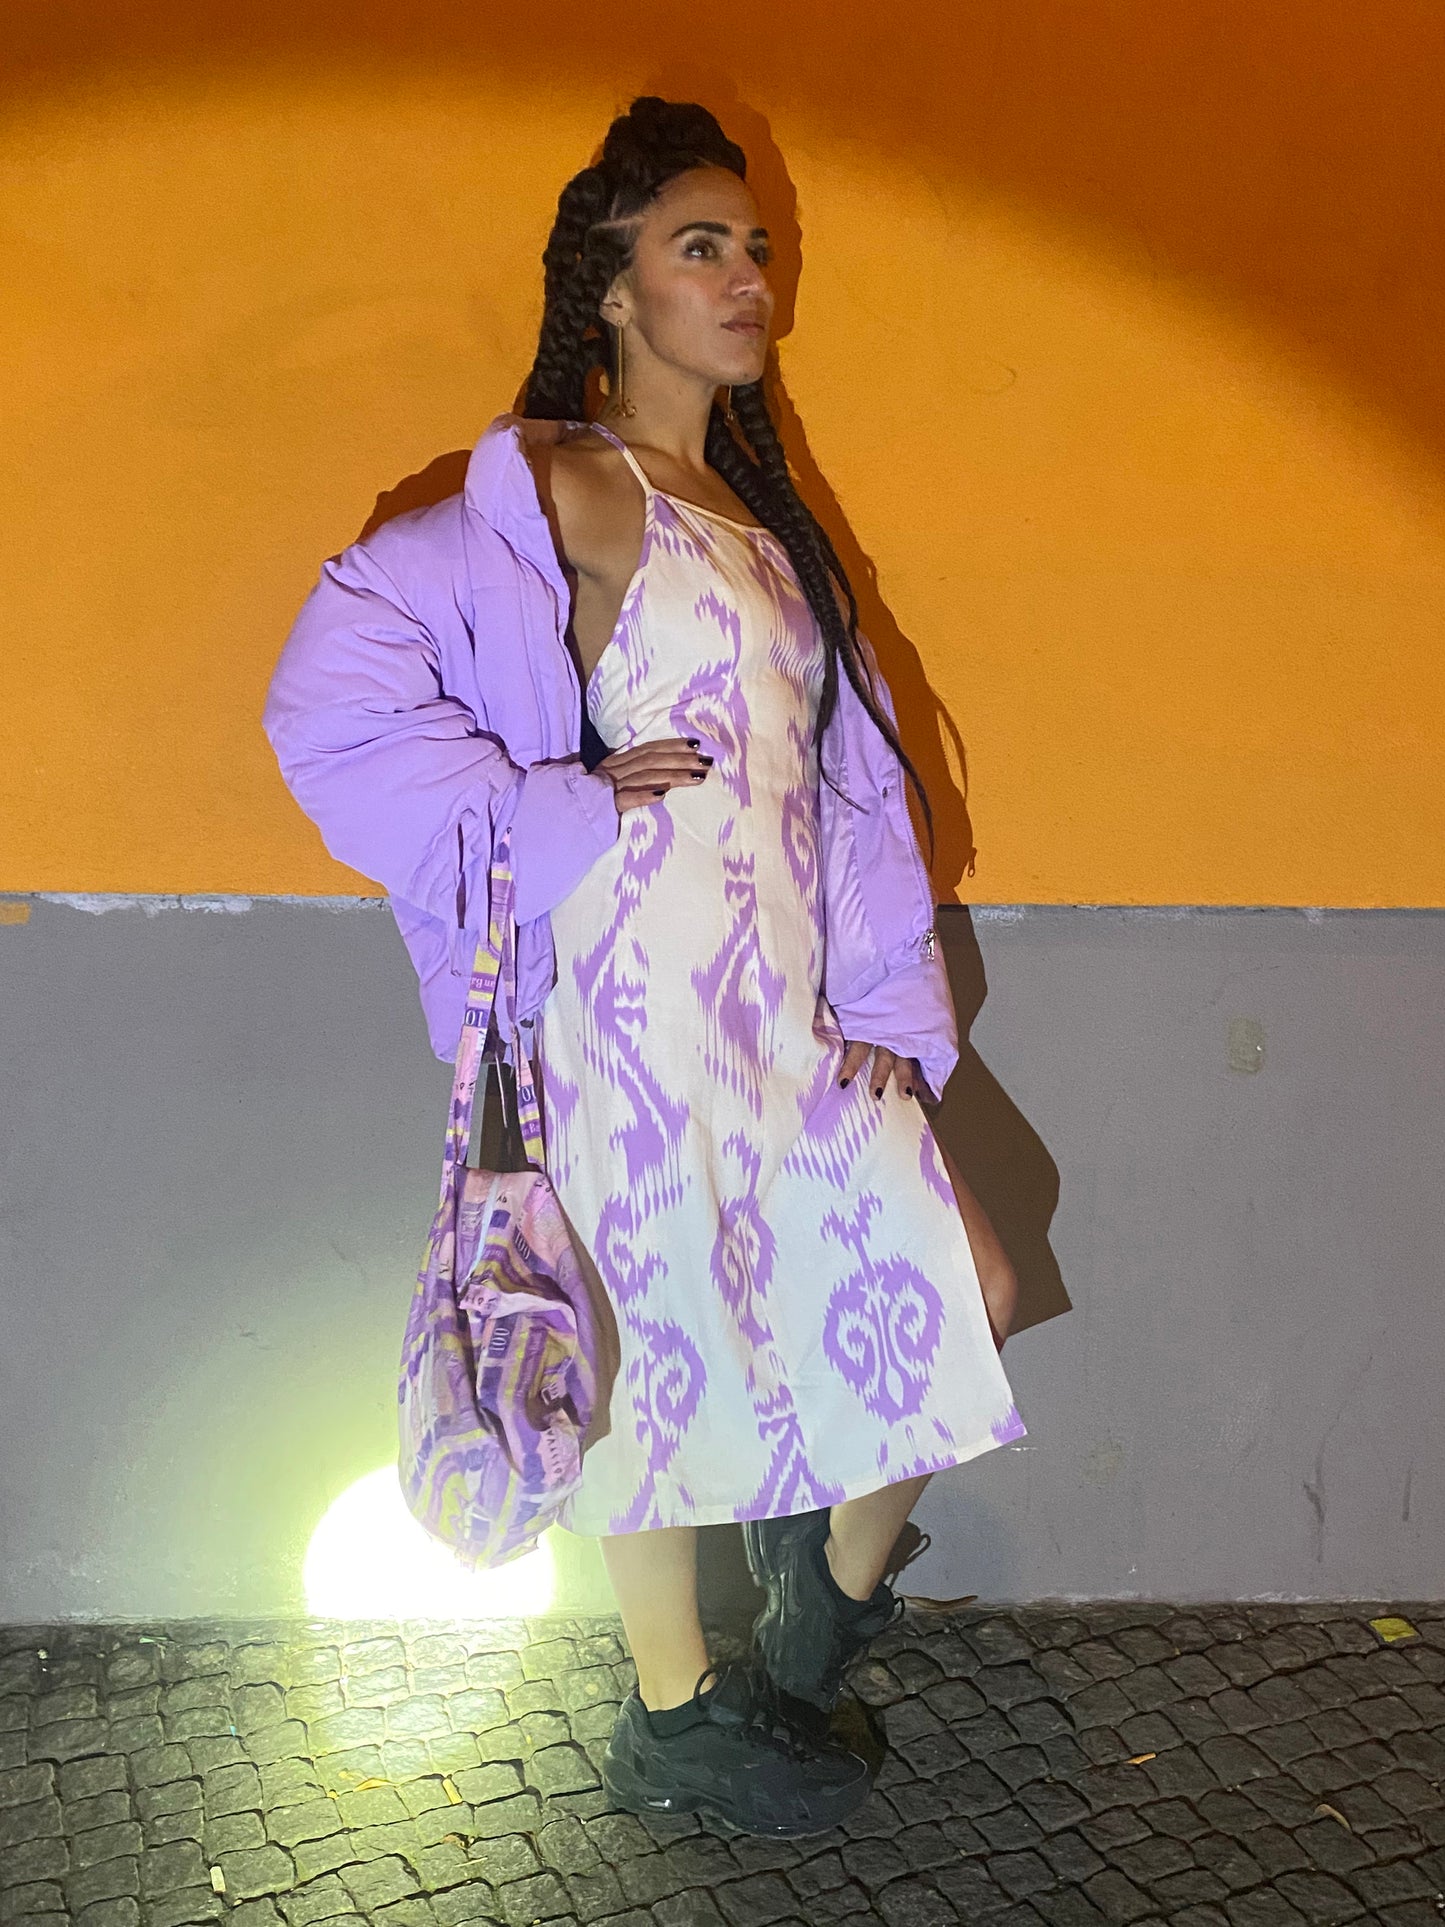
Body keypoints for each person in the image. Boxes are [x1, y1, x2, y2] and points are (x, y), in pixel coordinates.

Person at [264, 96, 1025, 1841]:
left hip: (788, 1009)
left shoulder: (752, 517)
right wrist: (549, 802)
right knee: (650, 1338)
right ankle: (675, 1706)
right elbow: (333, 689)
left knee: (959, 1284)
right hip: (623, 999)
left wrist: (885, 1009)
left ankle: (819, 1600)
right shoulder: (562, 481)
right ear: (610, 292)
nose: (750, 276)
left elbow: (837, 792)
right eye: (703, 246)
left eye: (760, 246)